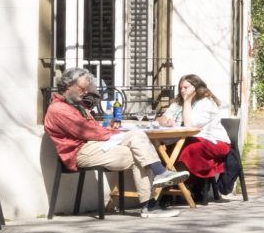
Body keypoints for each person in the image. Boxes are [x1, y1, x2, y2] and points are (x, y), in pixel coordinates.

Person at [43, 68, 185, 213]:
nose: (85, 92)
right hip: (79, 152)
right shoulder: (59, 109)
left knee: (138, 138)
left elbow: (92, 129)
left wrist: (109, 128)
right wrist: (112, 132)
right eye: (82, 88)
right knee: (140, 153)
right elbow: (87, 131)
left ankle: (156, 184)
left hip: (94, 145)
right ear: (68, 86)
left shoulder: (77, 104)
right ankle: (152, 199)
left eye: (86, 89)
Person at [163, 74, 234, 202]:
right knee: (165, 149)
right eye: (180, 88)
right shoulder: (177, 103)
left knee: (191, 149)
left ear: (196, 88)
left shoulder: (207, 104)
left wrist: (187, 102)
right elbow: (161, 118)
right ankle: (172, 187)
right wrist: (165, 122)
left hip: (215, 142)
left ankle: (187, 186)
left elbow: (190, 126)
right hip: (186, 139)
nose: (182, 91)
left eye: (186, 87)